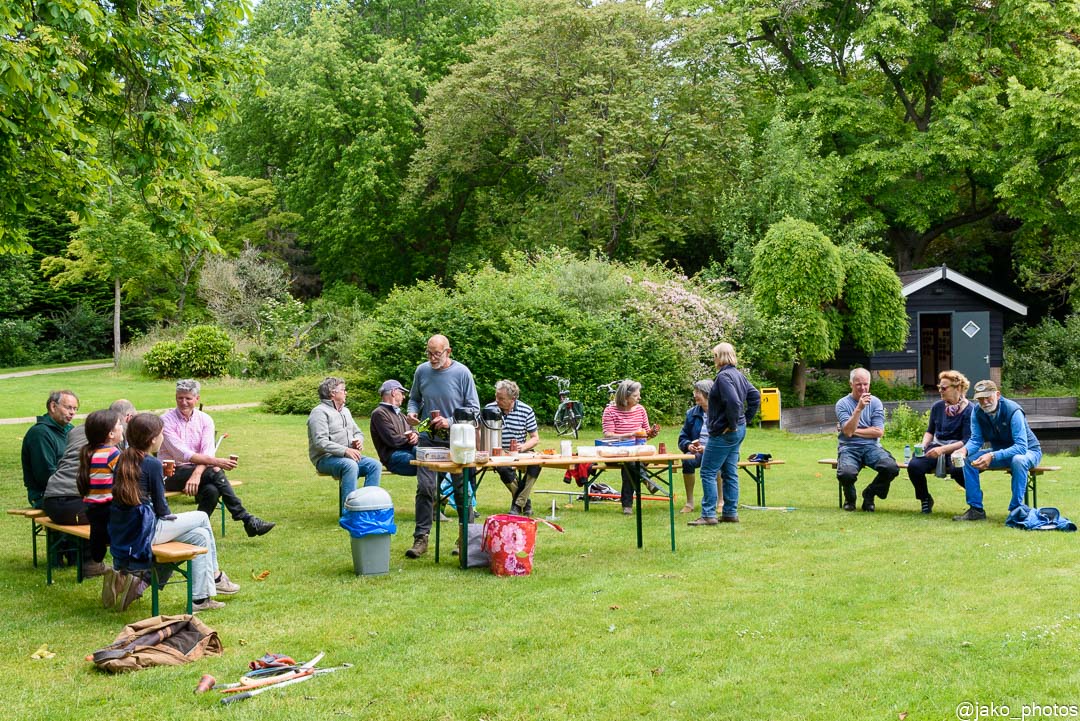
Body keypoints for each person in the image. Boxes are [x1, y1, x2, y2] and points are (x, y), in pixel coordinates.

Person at [109, 413, 240, 612]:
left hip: (127, 528)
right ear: (153, 439)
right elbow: (162, 509)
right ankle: (215, 575)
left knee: (200, 536)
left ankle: (199, 599)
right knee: (202, 517)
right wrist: (172, 521)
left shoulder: (123, 458)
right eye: (161, 434)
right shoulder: (151, 463)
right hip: (145, 531)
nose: (163, 438)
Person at [159, 379, 275, 537]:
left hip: (198, 470)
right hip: (171, 473)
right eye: (180, 398)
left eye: (188, 398)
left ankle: (193, 530)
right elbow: (182, 454)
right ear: (175, 397)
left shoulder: (205, 420)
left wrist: (197, 473)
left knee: (212, 491)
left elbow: (207, 451)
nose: (183, 402)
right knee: (215, 470)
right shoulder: (166, 420)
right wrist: (216, 462)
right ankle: (245, 518)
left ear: (197, 399)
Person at [403, 334, 480, 558]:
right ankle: (421, 539)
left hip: (457, 439)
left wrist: (450, 421)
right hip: (428, 438)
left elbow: (474, 409)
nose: (432, 357)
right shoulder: (422, 371)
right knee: (425, 488)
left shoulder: (462, 373)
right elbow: (414, 398)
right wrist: (412, 412)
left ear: (449, 351)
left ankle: (465, 539)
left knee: (461, 490)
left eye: (436, 353)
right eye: (429, 352)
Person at [43, 399, 137, 577]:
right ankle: (94, 564)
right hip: (75, 505)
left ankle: (78, 557)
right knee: (111, 515)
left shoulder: (79, 432)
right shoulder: (111, 447)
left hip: (50, 501)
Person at [689, 344, 761, 526]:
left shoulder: (722, 377)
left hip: (725, 432)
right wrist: (745, 420)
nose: (713, 359)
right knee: (730, 471)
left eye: (714, 356)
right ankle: (730, 512)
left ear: (718, 357)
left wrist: (733, 424)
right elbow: (754, 396)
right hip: (737, 430)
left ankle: (708, 514)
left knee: (707, 471)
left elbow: (734, 403)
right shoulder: (738, 375)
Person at [953, 380, 1042, 521]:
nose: (985, 402)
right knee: (969, 460)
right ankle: (976, 510)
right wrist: (963, 451)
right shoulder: (976, 412)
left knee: (1018, 460)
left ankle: (1016, 509)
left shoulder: (1014, 411)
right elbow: (976, 440)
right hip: (1000, 452)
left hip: (1028, 452)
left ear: (998, 395)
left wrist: (992, 455)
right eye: (980, 399)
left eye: (988, 397)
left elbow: (1021, 447)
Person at [308, 376, 382, 512]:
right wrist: (345, 450)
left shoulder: (345, 411)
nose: (346, 392)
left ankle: (369, 507)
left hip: (348, 456)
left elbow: (358, 432)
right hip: (325, 459)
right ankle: (349, 512)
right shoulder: (319, 412)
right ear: (332, 393)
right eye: (343, 390)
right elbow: (320, 442)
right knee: (350, 465)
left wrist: (358, 441)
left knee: (374, 465)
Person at [906, 371, 973, 514]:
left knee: (957, 470)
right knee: (914, 465)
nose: (940, 391)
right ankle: (925, 499)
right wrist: (924, 446)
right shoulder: (937, 407)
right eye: (939, 387)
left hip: (957, 449)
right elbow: (930, 431)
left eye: (944, 388)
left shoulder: (969, 410)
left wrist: (943, 450)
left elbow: (966, 440)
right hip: (936, 445)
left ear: (958, 388)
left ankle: (975, 498)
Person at [834, 367, 899, 512]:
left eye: (866, 384)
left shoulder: (876, 402)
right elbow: (848, 434)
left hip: (872, 447)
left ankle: (869, 494)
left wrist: (850, 431)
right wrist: (859, 409)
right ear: (851, 384)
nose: (863, 388)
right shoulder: (842, 404)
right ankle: (850, 499)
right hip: (849, 448)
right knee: (846, 474)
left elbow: (878, 432)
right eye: (859, 384)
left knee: (890, 468)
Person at [72, 409, 124, 578]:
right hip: (109, 505)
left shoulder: (89, 452)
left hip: (92, 505)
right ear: (110, 434)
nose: (122, 427)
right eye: (119, 425)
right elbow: (125, 476)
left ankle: (97, 551)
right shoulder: (113, 453)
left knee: (98, 530)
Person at [602, 379, 661, 515]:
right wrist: (630, 434)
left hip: (638, 451)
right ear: (625, 396)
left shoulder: (640, 410)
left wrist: (651, 433)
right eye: (635, 396)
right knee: (630, 462)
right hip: (615, 452)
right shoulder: (610, 410)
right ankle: (645, 479)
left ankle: (627, 505)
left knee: (631, 464)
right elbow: (608, 435)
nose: (639, 398)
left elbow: (645, 434)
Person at [486, 380, 541, 515]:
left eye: (501, 398)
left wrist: (523, 447)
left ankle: (517, 504)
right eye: (496, 396)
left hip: (519, 452)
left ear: (513, 399)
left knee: (536, 464)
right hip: (498, 451)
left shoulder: (526, 410)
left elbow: (535, 438)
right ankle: (523, 502)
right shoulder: (489, 409)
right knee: (503, 468)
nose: (497, 400)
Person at [21, 390, 79, 508]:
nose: (72, 412)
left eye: (75, 409)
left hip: (70, 491)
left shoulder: (70, 430)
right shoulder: (40, 434)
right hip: (47, 496)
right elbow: (45, 475)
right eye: (68, 408)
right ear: (53, 406)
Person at [676, 379, 713, 514]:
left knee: (719, 461)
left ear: (707, 393)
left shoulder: (719, 412)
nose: (695, 395)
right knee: (687, 459)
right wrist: (688, 445)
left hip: (716, 450)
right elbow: (682, 437)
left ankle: (721, 501)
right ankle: (689, 502)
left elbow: (724, 437)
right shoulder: (691, 413)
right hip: (697, 451)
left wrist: (708, 448)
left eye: (698, 392)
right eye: (695, 391)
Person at [369, 379, 419, 476]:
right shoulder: (379, 413)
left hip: (409, 451)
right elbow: (393, 440)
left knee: (432, 459)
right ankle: (439, 490)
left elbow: (413, 430)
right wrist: (411, 440)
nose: (404, 397)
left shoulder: (401, 415)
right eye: (402, 393)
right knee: (427, 464)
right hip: (393, 457)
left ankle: (445, 489)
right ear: (393, 392)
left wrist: (415, 435)